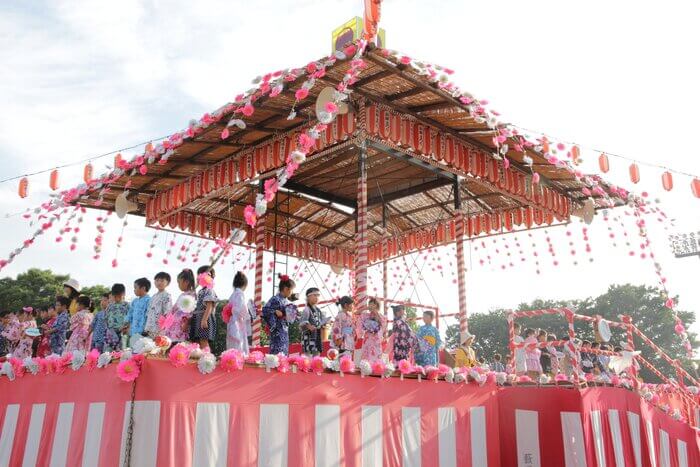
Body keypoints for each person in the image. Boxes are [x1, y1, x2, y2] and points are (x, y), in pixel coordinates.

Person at [262, 274, 296, 355]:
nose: (292, 293)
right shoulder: (275, 299)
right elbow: (265, 310)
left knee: (283, 353)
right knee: (276, 354)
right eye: (292, 290)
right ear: (286, 289)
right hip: (277, 331)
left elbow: (291, 318)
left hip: (284, 331)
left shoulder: (287, 301)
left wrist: (292, 314)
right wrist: (275, 312)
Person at [161, 269, 196, 344]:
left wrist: (186, 323)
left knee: (180, 343)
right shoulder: (183, 295)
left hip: (181, 325)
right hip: (175, 324)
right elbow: (174, 308)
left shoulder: (191, 295)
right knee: (171, 342)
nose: (178, 285)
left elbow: (189, 312)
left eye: (179, 282)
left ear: (186, 282)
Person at [190, 266, 218, 350]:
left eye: (206, 275)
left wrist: (204, 319)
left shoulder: (209, 290)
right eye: (199, 275)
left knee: (203, 340)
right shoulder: (200, 291)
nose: (201, 277)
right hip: (198, 317)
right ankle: (198, 358)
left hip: (205, 317)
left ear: (211, 277)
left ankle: (207, 359)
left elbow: (209, 306)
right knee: (197, 341)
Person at [226, 271, 250, 354]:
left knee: (232, 343)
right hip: (238, 321)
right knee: (239, 343)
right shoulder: (240, 294)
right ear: (245, 284)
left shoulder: (233, 294)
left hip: (232, 320)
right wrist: (249, 314)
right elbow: (241, 309)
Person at [299, 288, 329, 356]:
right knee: (308, 358)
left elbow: (322, 321)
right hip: (308, 338)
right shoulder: (306, 309)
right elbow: (302, 323)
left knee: (316, 359)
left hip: (317, 337)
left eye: (318, 295)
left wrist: (324, 324)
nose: (317, 297)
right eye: (315, 295)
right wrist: (308, 326)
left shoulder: (318, 310)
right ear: (308, 297)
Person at [124, 278, 151, 347]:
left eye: (135, 287)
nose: (134, 290)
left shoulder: (149, 300)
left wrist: (147, 330)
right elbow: (130, 314)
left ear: (143, 288)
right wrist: (125, 324)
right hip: (133, 331)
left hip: (143, 332)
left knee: (141, 351)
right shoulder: (134, 301)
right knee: (132, 350)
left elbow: (149, 316)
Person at [144, 272, 173, 338]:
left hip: (160, 328)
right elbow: (149, 312)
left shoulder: (167, 296)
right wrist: (147, 326)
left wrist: (163, 328)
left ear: (167, 283)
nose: (159, 282)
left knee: (159, 345)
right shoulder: (153, 297)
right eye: (157, 280)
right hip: (150, 327)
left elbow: (168, 313)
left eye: (162, 281)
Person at [359, 298, 387, 363]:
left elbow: (383, 326)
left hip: (376, 337)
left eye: (372, 304)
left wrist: (375, 312)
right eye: (369, 304)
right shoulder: (366, 315)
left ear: (376, 305)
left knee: (376, 352)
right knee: (367, 352)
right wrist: (365, 308)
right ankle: (366, 367)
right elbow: (356, 313)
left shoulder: (381, 316)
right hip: (368, 337)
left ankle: (377, 367)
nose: (370, 306)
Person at [105, 284, 129, 351]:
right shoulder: (109, 306)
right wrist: (108, 330)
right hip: (110, 334)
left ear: (123, 294)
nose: (117, 298)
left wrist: (126, 328)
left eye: (119, 296)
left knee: (121, 352)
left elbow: (130, 319)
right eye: (115, 296)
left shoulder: (127, 305)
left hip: (122, 333)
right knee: (108, 352)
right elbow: (106, 318)